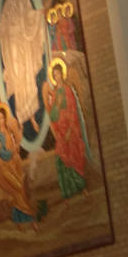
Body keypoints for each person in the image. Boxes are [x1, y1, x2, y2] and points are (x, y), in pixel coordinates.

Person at [42, 57, 91, 199]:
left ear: (62, 75)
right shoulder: (56, 94)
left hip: (71, 129)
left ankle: (81, 187)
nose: (57, 77)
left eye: (58, 74)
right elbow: (54, 114)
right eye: (55, 75)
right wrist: (52, 107)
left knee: (74, 155)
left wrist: (70, 129)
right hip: (61, 131)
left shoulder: (68, 91)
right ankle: (68, 191)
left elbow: (72, 110)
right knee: (61, 157)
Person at [0, 105, 37, 226]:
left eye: (3, 118)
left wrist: (15, 149)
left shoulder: (9, 133)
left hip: (12, 167)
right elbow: (2, 153)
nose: (2, 121)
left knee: (18, 192)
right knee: (18, 188)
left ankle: (19, 220)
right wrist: (12, 152)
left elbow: (15, 147)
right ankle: (31, 217)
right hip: (3, 170)